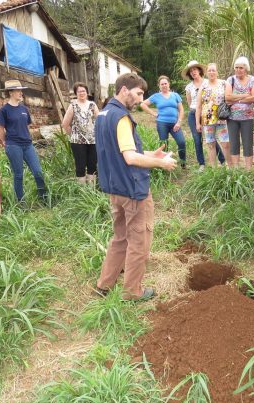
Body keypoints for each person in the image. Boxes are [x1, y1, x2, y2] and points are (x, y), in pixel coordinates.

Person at [95, 73, 177, 301]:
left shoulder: (103, 114)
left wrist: (151, 154)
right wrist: (160, 163)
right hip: (132, 190)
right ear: (124, 90)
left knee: (120, 238)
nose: (141, 99)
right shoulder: (121, 117)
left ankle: (104, 285)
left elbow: (118, 151)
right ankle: (133, 291)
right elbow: (130, 158)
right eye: (138, 93)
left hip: (115, 188)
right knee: (139, 242)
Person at [0, 79, 47, 204]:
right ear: (11, 93)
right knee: (18, 175)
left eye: (21, 91)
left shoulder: (24, 109)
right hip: (14, 145)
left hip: (28, 145)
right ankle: (21, 202)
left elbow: (27, 126)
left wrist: (27, 137)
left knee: (38, 172)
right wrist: (5, 142)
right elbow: (0, 129)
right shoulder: (4, 110)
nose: (21, 93)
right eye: (18, 91)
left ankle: (44, 197)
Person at [140, 75, 187, 168]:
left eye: (165, 83)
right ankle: (165, 165)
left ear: (169, 84)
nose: (164, 85)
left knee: (181, 142)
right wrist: (154, 114)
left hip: (175, 124)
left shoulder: (175, 95)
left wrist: (179, 122)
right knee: (164, 144)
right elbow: (143, 104)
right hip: (162, 123)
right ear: (159, 86)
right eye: (162, 84)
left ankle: (183, 163)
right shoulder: (156, 96)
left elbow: (181, 110)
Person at [62, 82, 99, 184]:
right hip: (78, 142)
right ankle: (82, 192)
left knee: (92, 166)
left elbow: (100, 121)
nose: (81, 93)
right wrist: (74, 135)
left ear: (87, 92)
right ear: (76, 93)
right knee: (80, 166)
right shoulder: (73, 105)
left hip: (93, 140)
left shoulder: (92, 105)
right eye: (79, 91)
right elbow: (65, 124)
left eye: (83, 91)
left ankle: (91, 191)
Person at [225, 56, 254, 169]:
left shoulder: (253, 80)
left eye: (241, 68)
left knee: (247, 143)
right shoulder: (230, 80)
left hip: (247, 117)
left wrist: (236, 99)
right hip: (232, 117)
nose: (238, 70)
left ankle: (249, 170)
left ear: (246, 69)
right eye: (236, 67)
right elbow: (227, 97)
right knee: (234, 143)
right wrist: (244, 96)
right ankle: (236, 170)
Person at [196, 63, 232, 167]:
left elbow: (229, 99)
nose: (211, 72)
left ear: (217, 72)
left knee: (225, 143)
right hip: (207, 120)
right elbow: (198, 105)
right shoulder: (203, 86)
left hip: (221, 118)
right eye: (209, 70)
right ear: (207, 73)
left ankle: (230, 167)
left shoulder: (224, 83)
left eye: (213, 70)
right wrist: (197, 123)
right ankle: (213, 169)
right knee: (210, 144)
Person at [183, 60, 208, 171]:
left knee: (210, 138)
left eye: (195, 69)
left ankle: (222, 160)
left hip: (207, 113)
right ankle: (201, 164)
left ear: (199, 70)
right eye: (191, 71)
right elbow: (189, 102)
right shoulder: (189, 87)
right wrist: (195, 111)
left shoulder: (207, 82)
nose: (193, 72)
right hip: (193, 114)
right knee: (197, 139)